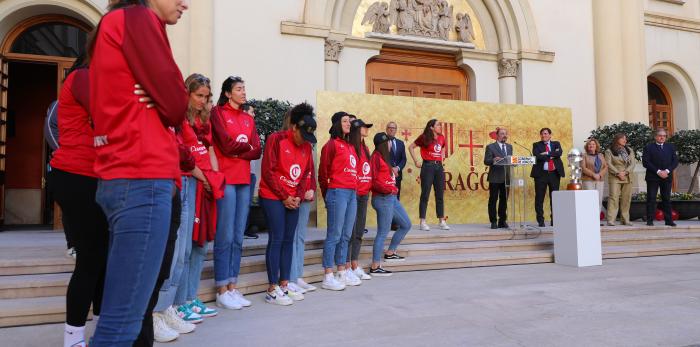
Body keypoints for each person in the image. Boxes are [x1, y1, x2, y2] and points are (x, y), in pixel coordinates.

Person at [88, 0, 189, 345]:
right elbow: (177, 103)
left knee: (126, 316)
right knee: (123, 322)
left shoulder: (122, 21)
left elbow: (172, 99)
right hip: (141, 176)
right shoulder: (137, 18)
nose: (185, 4)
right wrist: (165, 99)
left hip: (130, 176)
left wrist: (160, 96)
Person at [48, 59, 108, 347]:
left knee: (101, 259)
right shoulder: (84, 76)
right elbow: (107, 113)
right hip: (76, 175)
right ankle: (73, 337)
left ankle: (102, 328)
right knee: (90, 259)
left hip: (95, 177)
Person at [211, 76, 261, 309]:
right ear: (228, 93)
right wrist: (243, 149)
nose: (243, 92)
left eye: (244, 88)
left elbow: (257, 150)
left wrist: (238, 150)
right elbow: (224, 144)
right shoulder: (218, 113)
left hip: (244, 180)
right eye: (239, 89)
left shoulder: (247, 119)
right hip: (226, 179)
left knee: (239, 236)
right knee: (225, 235)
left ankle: (233, 285)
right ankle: (221, 287)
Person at [259, 105, 316, 305]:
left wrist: (298, 196)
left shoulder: (307, 147)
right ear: (293, 128)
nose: (305, 141)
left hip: (293, 199)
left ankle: (285, 284)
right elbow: (268, 171)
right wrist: (284, 196)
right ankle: (272, 289)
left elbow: (305, 175)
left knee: (288, 240)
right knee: (277, 238)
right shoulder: (276, 139)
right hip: (273, 196)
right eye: (303, 135)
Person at [180, 74, 220, 320]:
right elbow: (183, 156)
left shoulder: (205, 122)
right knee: (186, 247)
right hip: (190, 185)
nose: (203, 101)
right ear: (187, 93)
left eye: (206, 97)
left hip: (205, 188)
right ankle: (180, 301)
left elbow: (210, 152)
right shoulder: (181, 121)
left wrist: (213, 179)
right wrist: (204, 178)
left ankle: (191, 298)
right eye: (198, 96)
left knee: (201, 246)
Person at [318, 111, 359, 291]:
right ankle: (328, 274)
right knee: (334, 235)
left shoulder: (350, 146)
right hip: (337, 192)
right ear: (336, 124)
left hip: (351, 193)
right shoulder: (331, 145)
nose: (349, 124)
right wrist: (329, 195)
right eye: (344, 121)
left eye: (349, 121)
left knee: (346, 235)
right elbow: (323, 172)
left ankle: (341, 271)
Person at [369, 132, 412, 276]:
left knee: (406, 224)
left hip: (391, 197)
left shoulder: (385, 157)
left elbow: (385, 177)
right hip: (383, 198)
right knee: (383, 232)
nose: (390, 143)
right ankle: (375, 266)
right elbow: (373, 181)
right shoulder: (375, 157)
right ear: (383, 143)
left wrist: (392, 178)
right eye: (388, 141)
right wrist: (389, 188)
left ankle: (390, 252)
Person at [287, 105, 318, 294]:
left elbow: (310, 171)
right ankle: (290, 276)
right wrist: (299, 193)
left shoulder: (307, 145)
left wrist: (312, 189)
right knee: (291, 237)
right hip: (294, 196)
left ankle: (298, 275)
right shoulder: (286, 142)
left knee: (300, 237)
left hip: (306, 196)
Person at [408, 119, 450, 231]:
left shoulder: (441, 137)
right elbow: (411, 147)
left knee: (440, 194)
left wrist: (441, 156)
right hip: (428, 167)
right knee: (425, 194)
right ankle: (422, 221)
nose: (440, 126)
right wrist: (416, 161)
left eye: (440, 125)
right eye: (438, 125)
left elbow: (443, 147)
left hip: (439, 167)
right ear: (431, 127)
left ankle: (441, 220)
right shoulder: (424, 137)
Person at [346, 119, 373, 282]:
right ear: (357, 129)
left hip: (364, 193)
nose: (366, 129)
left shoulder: (366, 147)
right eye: (364, 127)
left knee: (359, 231)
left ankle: (355, 263)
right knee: (350, 230)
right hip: (354, 193)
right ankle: (347, 265)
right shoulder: (351, 146)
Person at [642, 128, 679, 227]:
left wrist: (667, 171)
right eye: (660, 135)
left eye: (664, 136)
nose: (662, 137)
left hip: (667, 177)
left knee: (666, 198)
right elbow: (646, 162)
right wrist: (658, 171)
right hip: (653, 177)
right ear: (655, 137)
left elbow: (675, 161)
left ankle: (669, 220)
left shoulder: (670, 147)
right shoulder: (648, 147)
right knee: (651, 198)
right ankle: (650, 220)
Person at [530, 128, 565, 227]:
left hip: (554, 174)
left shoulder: (556, 144)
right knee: (539, 198)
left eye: (545, 133)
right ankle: (541, 221)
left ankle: (554, 220)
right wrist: (552, 155)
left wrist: (546, 153)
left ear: (550, 135)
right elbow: (537, 156)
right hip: (541, 175)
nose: (543, 135)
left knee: (554, 198)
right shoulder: (536, 145)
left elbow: (559, 153)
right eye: (542, 134)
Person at [604, 133, 636, 226]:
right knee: (613, 197)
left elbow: (632, 164)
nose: (625, 140)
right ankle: (611, 220)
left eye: (625, 139)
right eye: (623, 139)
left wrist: (625, 172)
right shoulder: (609, 151)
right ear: (617, 139)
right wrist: (618, 173)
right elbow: (608, 164)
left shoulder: (629, 150)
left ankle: (625, 219)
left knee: (626, 198)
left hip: (627, 176)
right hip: (615, 177)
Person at [484, 127, 512, 229]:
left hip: (506, 177)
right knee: (493, 200)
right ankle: (493, 221)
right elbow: (486, 161)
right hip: (495, 177)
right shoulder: (491, 147)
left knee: (504, 200)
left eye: (505, 133)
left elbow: (510, 160)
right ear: (497, 135)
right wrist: (493, 159)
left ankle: (502, 220)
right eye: (502, 133)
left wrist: (513, 163)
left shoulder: (510, 147)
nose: (504, 135)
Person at [241, 102, 260, 239]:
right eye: (252, 112)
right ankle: (239, 230)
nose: (254, 115)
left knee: (246, 203)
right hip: (241, 172)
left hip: (251, 173)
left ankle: (244, 228)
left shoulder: (252, 129)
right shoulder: (240, 128)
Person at [581, 137, 608, 220]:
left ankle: (596, 219)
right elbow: (583, 168)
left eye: (593, 144)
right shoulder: (584, 155)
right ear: (587, 146)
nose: (591, 145)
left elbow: (605, 166)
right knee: (589, 201)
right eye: (589, 144)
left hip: (600, 180)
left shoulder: (601, 155)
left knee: (598, 200)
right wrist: (593, 175)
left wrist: (599, 175)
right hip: (588, 180)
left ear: (596, 146)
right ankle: (589, 219)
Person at [386, 122, 406, 199]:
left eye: (393, 128)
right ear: (386, 129)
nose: (391, 129)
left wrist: (397, 168)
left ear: (396, 130)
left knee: (396, 199)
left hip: (398, 175)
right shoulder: (382, 142)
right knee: (387, 199)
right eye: (390, 127)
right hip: (386, 176)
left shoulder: (400, 143)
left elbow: (403, 159)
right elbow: (381, 157)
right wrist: (391, 169)